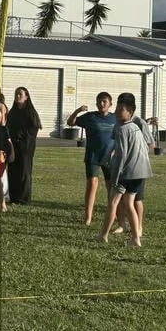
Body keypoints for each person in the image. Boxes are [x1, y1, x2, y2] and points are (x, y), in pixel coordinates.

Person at [99, 93, 152, 247]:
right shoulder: (135, 127)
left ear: (130, 112)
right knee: (129, 203)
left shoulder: (123, 129)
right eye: (117, 107)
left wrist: (115, 177)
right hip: (141, 172)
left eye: (121, 109)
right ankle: (136, 239)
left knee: (113, 202)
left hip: (129, 172)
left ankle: (103, 236)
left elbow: (122, 154)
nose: (117, 111)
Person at [67, 92, 116, 225]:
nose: (101, 104)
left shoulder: (115, 118)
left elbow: (124, 133)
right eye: (99, 101)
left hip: (110, 157)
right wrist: (77, 111)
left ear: (110, 104)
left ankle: (113, 214)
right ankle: (88, 217)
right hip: (93, 156)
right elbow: (70, 122)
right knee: (92, 184)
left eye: (104, 101)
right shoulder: (90, 117)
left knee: (110, 186)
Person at [6, 86, 41, 205]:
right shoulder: (13, 112)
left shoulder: (30, 112)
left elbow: (34, 128)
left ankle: (23, 199)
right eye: (16, 94)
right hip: (13, 145)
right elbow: (8, 127)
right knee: (12, 171)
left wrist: (22, 137)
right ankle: (14, 198)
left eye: (20, 94)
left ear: (26, 97)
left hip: (25, 146)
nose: (18, 96)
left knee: (24, 171)